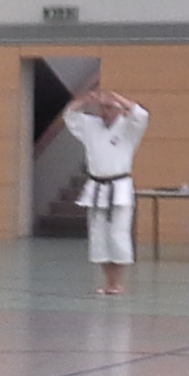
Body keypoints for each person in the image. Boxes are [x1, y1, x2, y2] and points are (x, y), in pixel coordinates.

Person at [63, 85, 149, 295]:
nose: (105, 112)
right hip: (96, 187)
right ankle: (108, 283)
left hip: (119, 188)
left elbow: (142, 114)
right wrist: (85, 101)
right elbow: (69, 116)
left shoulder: (128, 128)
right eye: (103, 108)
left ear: (120, 110)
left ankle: (118, 282)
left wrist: (117, 98)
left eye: (110, 108)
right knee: (99, 236)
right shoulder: (91, 126)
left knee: (117, 234)